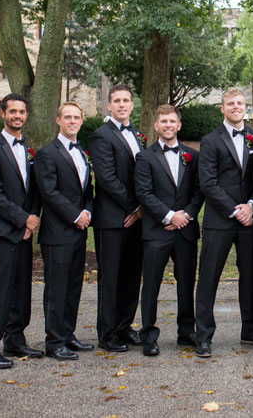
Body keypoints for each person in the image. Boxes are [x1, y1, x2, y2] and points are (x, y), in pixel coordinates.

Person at [195, 87, 253, 358]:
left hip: (249, 220)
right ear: (222, 109)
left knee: (249, 275)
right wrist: (234, 210)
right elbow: (208, 182)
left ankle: (251, 329)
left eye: (240, 103)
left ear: (245, 107)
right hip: (219, 220)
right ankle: (203, 335)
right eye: (231, 103)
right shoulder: (210, 141)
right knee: (208, 277)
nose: (236, 107)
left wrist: (251, 205)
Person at [0, 94, 42, 369]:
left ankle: (15, 339)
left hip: (24, 230)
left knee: (21, 289)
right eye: (12, 111)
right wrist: (23, 219)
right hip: (1, 231)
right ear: (2, 113)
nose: (18, 116)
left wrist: (33, 219)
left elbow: (34, 190)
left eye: (22, 111)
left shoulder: (28, 150)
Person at [134, 105, 203, 356]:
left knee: (186, 282)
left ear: (179, 125)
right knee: (151, 284)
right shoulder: (144, 157)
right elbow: (144, 193)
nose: (168, 125)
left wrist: (186, 215)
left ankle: (186, 331)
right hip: (157, 230)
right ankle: (148, 335)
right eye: (163, 121)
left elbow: (199, 191)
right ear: (156, 126)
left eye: (172, 121)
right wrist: (169, 216)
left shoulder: (192, 156)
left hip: (185, 230)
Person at [88, 84, 144, 352]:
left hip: (137, 219)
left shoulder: (137, 135)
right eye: (117, 101)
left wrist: (142, 210)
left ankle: (124, 326)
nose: (122, 105)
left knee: (131, 276)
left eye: (126, 100)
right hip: (112, 219)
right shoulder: (101, 136)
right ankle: (107, 332)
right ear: (109, 106)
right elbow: (107, 179)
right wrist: (134, 206)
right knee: (110, 278)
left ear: (132, 105)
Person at [36, 102, 94, 361]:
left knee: (73, 287)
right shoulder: (47, 153)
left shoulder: (82, 152)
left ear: (81, 121)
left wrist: (88, 211)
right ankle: (54, 341)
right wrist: (75, 215)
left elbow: (87, 189)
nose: (72, 121)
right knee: (57, 289)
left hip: (79, 231)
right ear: (58, 120)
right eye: (67, 117)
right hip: (57, 232)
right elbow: (49, 192)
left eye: (77, 117)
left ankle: (68, 334)